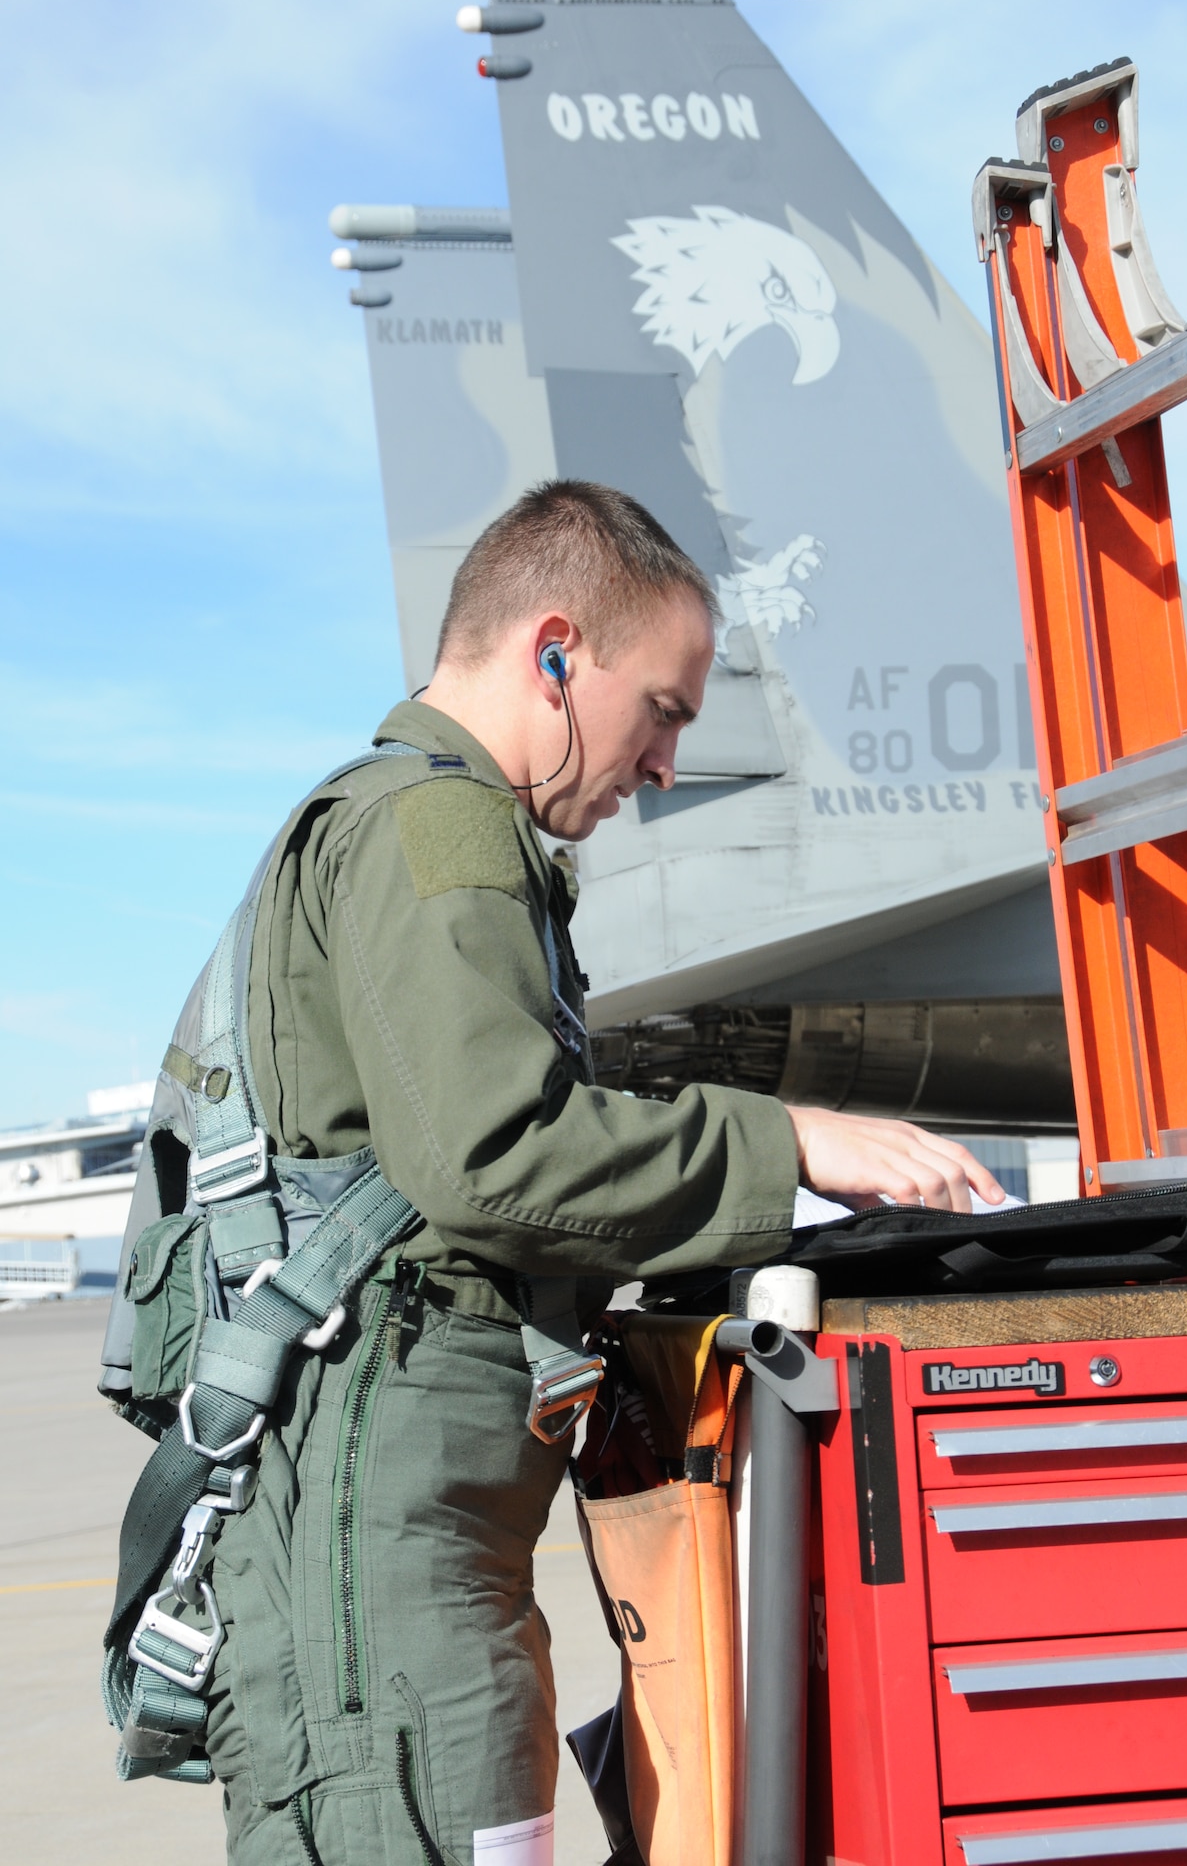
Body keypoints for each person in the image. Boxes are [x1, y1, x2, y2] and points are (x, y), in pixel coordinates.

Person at [198, 479, 1002, 1863]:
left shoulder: (428, 828)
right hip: (384, 1568)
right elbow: (493, 1153)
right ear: (557, 653)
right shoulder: (432, 828)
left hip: (412, 1545)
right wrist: (790, 1140)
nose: (666, 766)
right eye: (669, 711)